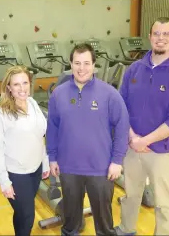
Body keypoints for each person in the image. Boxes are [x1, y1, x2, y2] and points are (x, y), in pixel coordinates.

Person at [114, 17, 169, 235]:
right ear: (150, 37)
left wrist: (145, 141)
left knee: (163, 201)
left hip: (162, 151)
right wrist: (133, 138)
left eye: (166, 34)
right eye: (157, 34)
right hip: (133, 147)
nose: (161, 39)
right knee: (131, 194)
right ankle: (126, 228)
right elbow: (121, 106)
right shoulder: (134, 70)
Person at [46, 43, 130, 236]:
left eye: (86, 63)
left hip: (100, 169)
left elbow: (122, 126)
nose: (81, 68)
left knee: (104, 223)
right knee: (70, 223)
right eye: (77, 63)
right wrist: (52, 157)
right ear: (70, 64)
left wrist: (117, 161)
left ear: (94, 65)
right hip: (69, 168)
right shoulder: (58, 94)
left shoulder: (109, 94)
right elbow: (52, 128)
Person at [0, 65, 50, 236]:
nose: (22, 88)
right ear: (8, 87)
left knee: (22, 213)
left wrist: (44, 162)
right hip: (16, 174)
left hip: (35, 170)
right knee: (28, 215)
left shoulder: (32, 103)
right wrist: (4, 181)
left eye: (25, 83)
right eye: (16, 84)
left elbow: (39, 136)